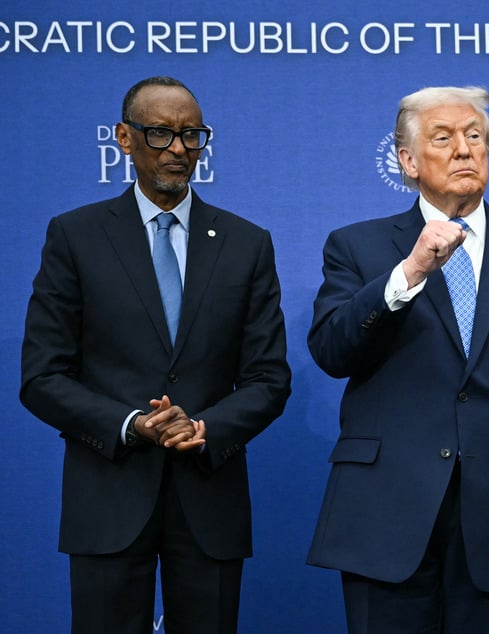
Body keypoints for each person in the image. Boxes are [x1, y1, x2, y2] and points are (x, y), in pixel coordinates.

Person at [306, 85, 489, 633]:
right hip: (385, 516)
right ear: (408, 161)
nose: (465, 150)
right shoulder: (357, 246)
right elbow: (331, 349)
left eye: (475, 137)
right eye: (444, 138)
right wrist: (409, 272)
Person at [20, 76, 291, 634]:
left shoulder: (247, 243)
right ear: (123, 137)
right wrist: (130, 424)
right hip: (108, 496)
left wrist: (202, 426)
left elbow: (268, 378)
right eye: (160, 134)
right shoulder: (75, 236)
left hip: (209, 497)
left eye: (192, 136)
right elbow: (42, 375)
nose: (178, 150)